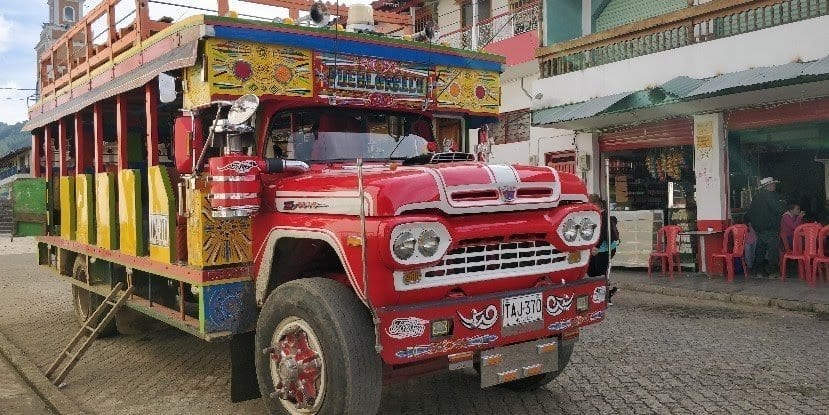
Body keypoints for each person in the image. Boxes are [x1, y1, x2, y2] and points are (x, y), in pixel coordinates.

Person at [747, 177, 785, 278]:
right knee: (773, 251)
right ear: (768, 185)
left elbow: (750, 213)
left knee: (760, 250)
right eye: (773, 184)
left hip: (758, 229)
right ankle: (773, 272)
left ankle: (759, 272)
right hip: (770, 228)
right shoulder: (771, 196)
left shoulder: (756, 197)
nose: (774, 186)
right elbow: (779, 210)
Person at [587, 194, 620, 304]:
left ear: (596, 204)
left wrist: (596, 247)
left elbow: (602, 234)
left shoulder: (603, 216)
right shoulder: (595, 215)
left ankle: (606, 297)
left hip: (605, 249)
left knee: (599, 273)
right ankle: (607, 293)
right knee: (592, 271)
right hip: (598, 248)